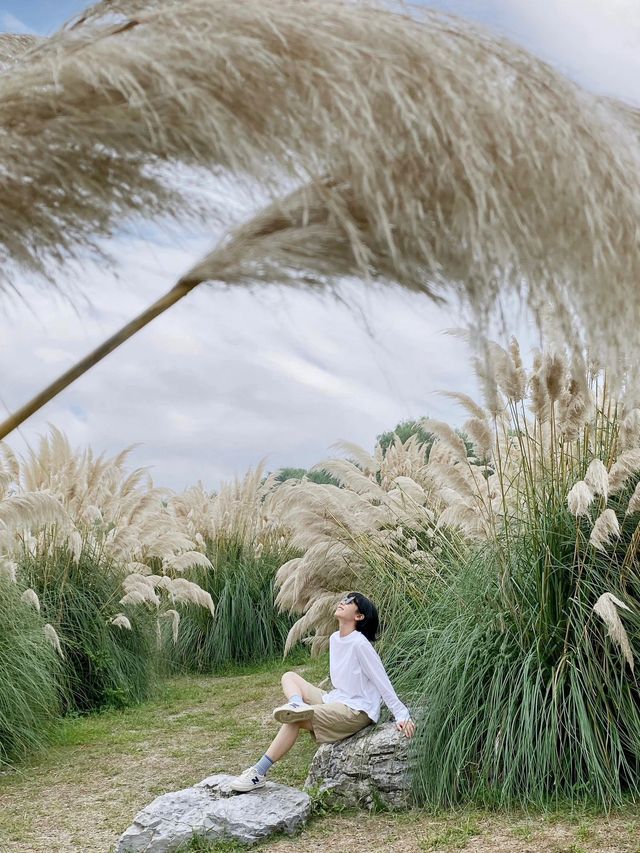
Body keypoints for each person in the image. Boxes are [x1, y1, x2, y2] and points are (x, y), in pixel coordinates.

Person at [230, 591, 416, 792]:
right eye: (344, 599)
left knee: (294, 718)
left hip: (356, 711)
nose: (343, 602)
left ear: (359, 616)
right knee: (290, 677)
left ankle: (259, 773)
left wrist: (401, 714)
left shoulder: (360, 644)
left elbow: (382, 681)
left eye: (350, 602)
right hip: (336, 699)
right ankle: (297, 702)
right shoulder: (336, 638)